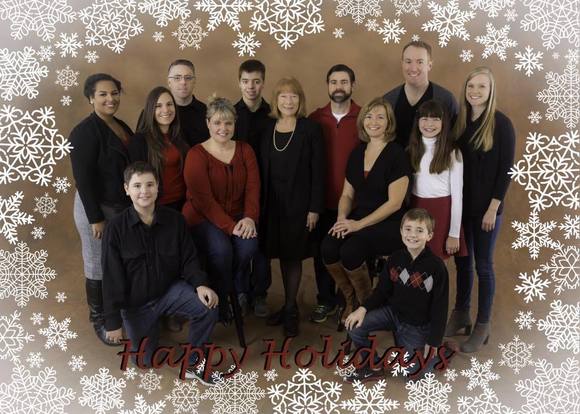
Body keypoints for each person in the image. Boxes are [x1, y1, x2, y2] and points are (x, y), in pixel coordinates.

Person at [102, 162, 219, 384]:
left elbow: (189, 258)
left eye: (149, 184)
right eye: (137, 186)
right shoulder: (115, 229)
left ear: (158, 187)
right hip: (136, 305)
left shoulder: (175, 220)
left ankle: (194, 363)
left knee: (207, 307)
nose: (144, 191)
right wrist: (113, 321)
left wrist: (200, 284)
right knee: (144, 361)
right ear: (126, 189)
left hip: (168, 292)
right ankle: (151, 327)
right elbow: (111, 277)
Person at [321, 97, 411, 326]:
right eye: (369, 116)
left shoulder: (397, 153)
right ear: (363, 121)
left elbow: (395, 203)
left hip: (390, 222)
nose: (374, 122)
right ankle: (351, 298)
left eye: (380, 117)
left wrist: (358, 225)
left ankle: (368, 307)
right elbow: (347, 195)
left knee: (351, 250)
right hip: (359, 216)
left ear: (389, 122)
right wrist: (342, 218)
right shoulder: (357, 153)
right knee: (329, 246)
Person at [445, 66, 515, 352]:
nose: (475, 91)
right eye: (471, 86)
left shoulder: (501, 123)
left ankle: (483, 324)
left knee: (483, 266)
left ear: (490, 90)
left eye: (481, 86)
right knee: (463, 262)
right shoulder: (459, 121)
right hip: (463, 207)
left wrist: (493, 208)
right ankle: (461, 314)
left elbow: (506, 170)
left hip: (487, 210)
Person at [344, 208, 449, 382]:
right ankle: (372, 365)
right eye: (408, 229)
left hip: (417, 325)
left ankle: (440, 353)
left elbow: (440, 307)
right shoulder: (395, 258)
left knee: (413, 376)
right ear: (401, 232)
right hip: (393, 314)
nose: (412, 235)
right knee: (354, 326)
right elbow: (382, 290)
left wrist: (434, 342)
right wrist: (362, 309)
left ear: (429, 235)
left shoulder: (436, 267)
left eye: (419, 230)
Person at [183, 96, 260, 324]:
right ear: (208, 123)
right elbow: (204, 200)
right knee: (222, 251)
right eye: (217, 122)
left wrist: (249, 218)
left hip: (239, 216)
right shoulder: (196, 154)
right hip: (202, 217)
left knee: (249, 247)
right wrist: (230, 226)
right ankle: (224, 300)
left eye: (228, 123)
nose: (223, 128)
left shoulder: (245, 150)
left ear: (234, 124)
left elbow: (253, 188)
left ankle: (231, 286)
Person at [69, 73, 133, 346]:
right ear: (90, 98)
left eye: (114, 93)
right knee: (96, 264)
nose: (110, 99)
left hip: (117, 207)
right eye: (103, 94)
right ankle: (98, 318)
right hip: (93, 208)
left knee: (117, 261)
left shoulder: (120, 125)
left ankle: (118, 310)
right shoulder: (83, 132)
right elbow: (83, 180)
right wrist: (95, 218)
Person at [260, 77, 324, 337]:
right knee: (277, 254)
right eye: (283, 96)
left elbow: (319, 171)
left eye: (294, 96)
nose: (288, 101)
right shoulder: (267, 128)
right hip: (272, 204)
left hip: (299, 205)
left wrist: (314, 208)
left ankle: (290, 309)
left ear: (300, 100)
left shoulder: (310, 129)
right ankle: (288, 304)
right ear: (276, 100)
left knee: (293, 257)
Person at [308, 64, 361, 324]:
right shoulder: (315, 119)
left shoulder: (364, 118)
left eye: (343, 82)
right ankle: (326, 300)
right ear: (327, 86)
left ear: (352, 85)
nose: (338, 87)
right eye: (333, 82)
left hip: (356, 204)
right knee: (323, 254)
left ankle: (350, 300)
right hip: (323, 200)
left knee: (350, 254)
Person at [233, 59, 272, 318]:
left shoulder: (272, 114)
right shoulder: (232, 114)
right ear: (239, 82)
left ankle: (260, 293)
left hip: (266, 187)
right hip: (237, 189)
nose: (251, 87)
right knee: (240, 242)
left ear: (263, 83)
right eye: (246, 81)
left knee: (261, 245)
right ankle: (240, 290)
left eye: (256, 81)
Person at [407, 99, 467, 260]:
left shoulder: (453, 153)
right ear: (418, 122)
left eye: (435, 119)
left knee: (438, 262)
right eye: (425, 118)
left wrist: (454, 233)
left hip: (442, 211)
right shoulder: (410, 150)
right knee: (415, 260)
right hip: (415, 208)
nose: (429, 124)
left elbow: (457, 196)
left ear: (443, 122)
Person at [383, 41, 458, 149]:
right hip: (395, 159)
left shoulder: (446, 100)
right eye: (408, 61)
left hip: (435, 159)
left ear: (429, 65)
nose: (413, 68)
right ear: (402, 64)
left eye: (420, 62)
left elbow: (455, 138)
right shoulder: (388, 101)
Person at [129, 86, 189, 212]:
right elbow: (137, 180)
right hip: (157, 206)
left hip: (183, 203)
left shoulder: (179, 136)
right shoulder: (140, 140)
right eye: (158, 106)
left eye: (169, 104)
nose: (165, 110)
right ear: (150, 110)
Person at [139, 59, 209, 146]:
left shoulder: (206, 111)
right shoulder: (151, 112)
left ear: (194, 81)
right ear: (169, 82)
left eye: (188, 78)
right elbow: (140, 144)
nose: (183, 82)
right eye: (177, 78)